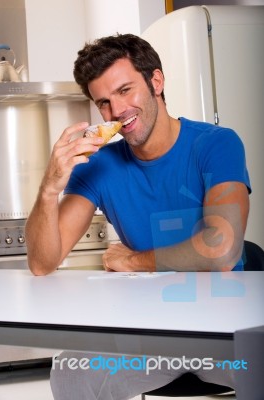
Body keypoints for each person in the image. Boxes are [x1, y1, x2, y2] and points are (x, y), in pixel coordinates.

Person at [25, 34, 251, 399]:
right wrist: (50, 187)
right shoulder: (98, 165)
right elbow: (42, 262)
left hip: (225, 328)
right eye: (104, 102)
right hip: (153, 334)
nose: (117, 111)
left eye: (126, 90)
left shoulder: (215, 144)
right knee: (70, 373)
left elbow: (221, 247)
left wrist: (133, 261)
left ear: (156, 82)